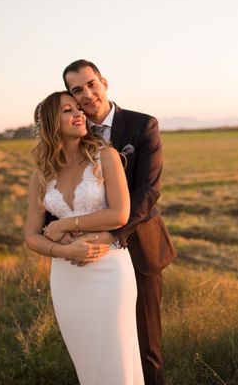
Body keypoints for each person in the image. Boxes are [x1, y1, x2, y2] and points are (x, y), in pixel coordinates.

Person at [62, 59, 176, 385]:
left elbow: (148, 192)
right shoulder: (73, 135)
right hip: (89, 256)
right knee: (101, 340)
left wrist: (110, 234)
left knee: (146, 344)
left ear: (104, 82)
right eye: (77, 90)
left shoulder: (142, 125)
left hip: (139, 246)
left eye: (91, 84)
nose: (87, 94)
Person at [24, 91, 144, 384]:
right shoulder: (41, 175)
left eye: (79, 108)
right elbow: (31, 236)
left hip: (109, 270)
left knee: (116, 357)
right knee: (88, 362)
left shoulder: (107, 156)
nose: (79, 113)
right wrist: (64, 252)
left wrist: (65, 225)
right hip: (67, 278)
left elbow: (119, 215)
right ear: (53, 122)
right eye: (68, 110)